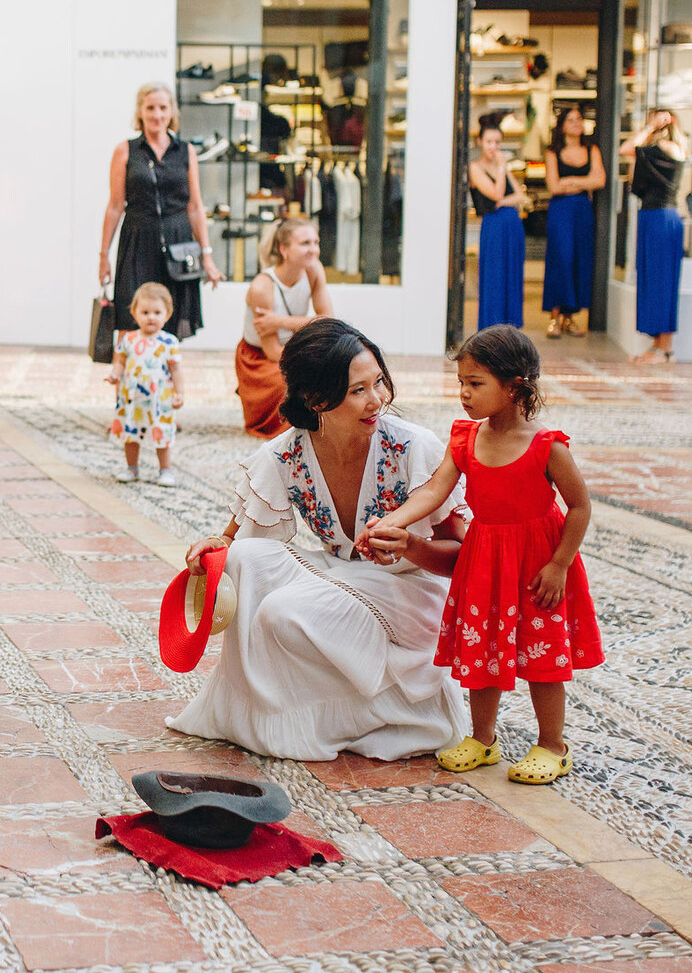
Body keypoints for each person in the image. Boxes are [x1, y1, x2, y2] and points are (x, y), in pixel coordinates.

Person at [169, 319, 471, 761]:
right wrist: (214, 547)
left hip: (412, 592)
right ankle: (264, 713)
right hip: (344, 578)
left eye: (379, 382)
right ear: (315, 399)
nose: (378, 400)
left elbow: (463, 557)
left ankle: (387, 711)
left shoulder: (414, 448)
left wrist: (410, 546)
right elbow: (235, 533)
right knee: (243, 559)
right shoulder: (287, 452)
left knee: (282, 613)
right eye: (358, 391)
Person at [366, 325, 600, 785]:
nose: (465, 395)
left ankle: (553, 744)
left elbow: (580, 506)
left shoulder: (547, 446)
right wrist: (392, 521)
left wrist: (559, 564)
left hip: (537, 565)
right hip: (486, 562)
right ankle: (483, 738)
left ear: (515, 387)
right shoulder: (465, 439)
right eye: (461, 384)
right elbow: (435, 490)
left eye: (476, 384)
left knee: (542, 657)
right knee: (483, 649)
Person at [98, 83, 223, 340]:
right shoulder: (125, 150)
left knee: (170, 318)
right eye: (150, 108)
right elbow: (114, 206)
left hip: (179, 241)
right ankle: (129, 378)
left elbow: (195, 207)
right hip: (137, 240)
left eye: (163, 108)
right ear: (140, 112)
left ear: (171, 112)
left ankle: (163, 378)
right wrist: (103, 256)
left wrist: (206, 255)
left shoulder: (185, 150)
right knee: (130, 315)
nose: (157, 114)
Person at [235, 217, 333, 438]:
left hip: (291, 347)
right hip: (259, 359)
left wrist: (279, 321)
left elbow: (328, 321)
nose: (314, 250)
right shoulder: (262, 287)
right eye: (305, 243)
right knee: (294, 383)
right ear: (284, 249)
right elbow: (271, 351)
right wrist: (307, 362)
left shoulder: (314, 269)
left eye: (316, 243)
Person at [620, 110, 685, 364]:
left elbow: (627, 148)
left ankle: (663, 348)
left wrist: (650, 127)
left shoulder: (668, 148)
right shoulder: (658, 150)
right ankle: (659, 346)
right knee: (653, 282)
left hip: (661, 219)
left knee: (661, 284)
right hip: (652, 218)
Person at [106, 282, 182, 485]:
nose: (151, 317)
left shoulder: (169, 342)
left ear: (167, 314)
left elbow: (175, 369)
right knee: (130, 433)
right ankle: (132, 467)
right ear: (134, 313)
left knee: (161, 433)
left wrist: (179, 393)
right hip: (132, 399)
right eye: (145, 312)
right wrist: (115, 375)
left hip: (160, 400)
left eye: (157, 312)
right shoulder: (128, 340)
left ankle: (165, 469)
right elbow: (120, 361)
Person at [541, 106, 604, 338]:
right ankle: (554, 318)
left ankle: (570, 318)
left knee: (579, 261)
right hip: (561, 211)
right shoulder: (552, 152)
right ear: (562, 125)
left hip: (582, 211)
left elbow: (600, 180)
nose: (577, 123)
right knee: (561, 259)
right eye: (571, 120)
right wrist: (584, 182)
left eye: (579, 119)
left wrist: (572, 181)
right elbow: (554, 186)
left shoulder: (591, 149)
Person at [470, 117, 530, 330]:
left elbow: (519, 197)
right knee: (494, 277)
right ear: (480, 142)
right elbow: (495, 193)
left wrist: (502, 199)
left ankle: (511, 328)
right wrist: (503, 170)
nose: (494, 147)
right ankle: (491, 328)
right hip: (494, 228)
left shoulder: (502, 168)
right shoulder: (475, 168)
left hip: (512, 226)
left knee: (511, 276)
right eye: (489, 142)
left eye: (497, 142)